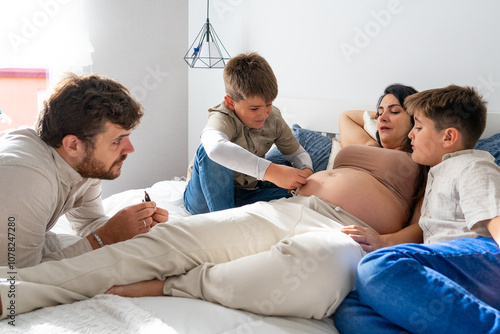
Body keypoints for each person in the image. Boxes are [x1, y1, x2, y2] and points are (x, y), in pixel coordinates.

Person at [0, 84, 424, 320]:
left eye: (399, 112)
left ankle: (174, 285)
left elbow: (424, 227)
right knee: (173, 240)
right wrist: (384, 122)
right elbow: (347, 117)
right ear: (73, 144)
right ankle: (12, 297)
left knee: (308, 278)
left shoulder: (427, 165)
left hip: (348, 230)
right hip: (292, 209)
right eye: (379, 108)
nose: (382, 115)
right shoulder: (361, 140)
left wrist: (386, 240)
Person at [334, 85, 500, 333]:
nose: (411, 135)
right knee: (352, 308)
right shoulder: (435, 173)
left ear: (448, 137)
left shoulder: (472, 165)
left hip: (482, 259)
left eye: (418, 127)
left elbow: (496, 220)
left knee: (379, 265)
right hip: (448, 272)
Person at [0, 73, 169, 268]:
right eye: (116, 141)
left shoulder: (83, 163)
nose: (130, 149)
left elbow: (88, 223)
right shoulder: (25, 177)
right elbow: (16, 280)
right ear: (73, 145)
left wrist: (133, 228)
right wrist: (107, 236)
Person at [184, 52, 313, 215]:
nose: (263, 114)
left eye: (268, 104)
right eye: (254, 108)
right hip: (202, 198)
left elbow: (297, 153)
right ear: (230, 102)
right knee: (207, 152)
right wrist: (271, 172)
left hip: (247, 193)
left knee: (306, 195)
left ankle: (232, 212)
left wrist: (306, 171)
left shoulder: (273, 118)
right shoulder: (222, 116)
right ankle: (224, 221)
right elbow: (214, 148)